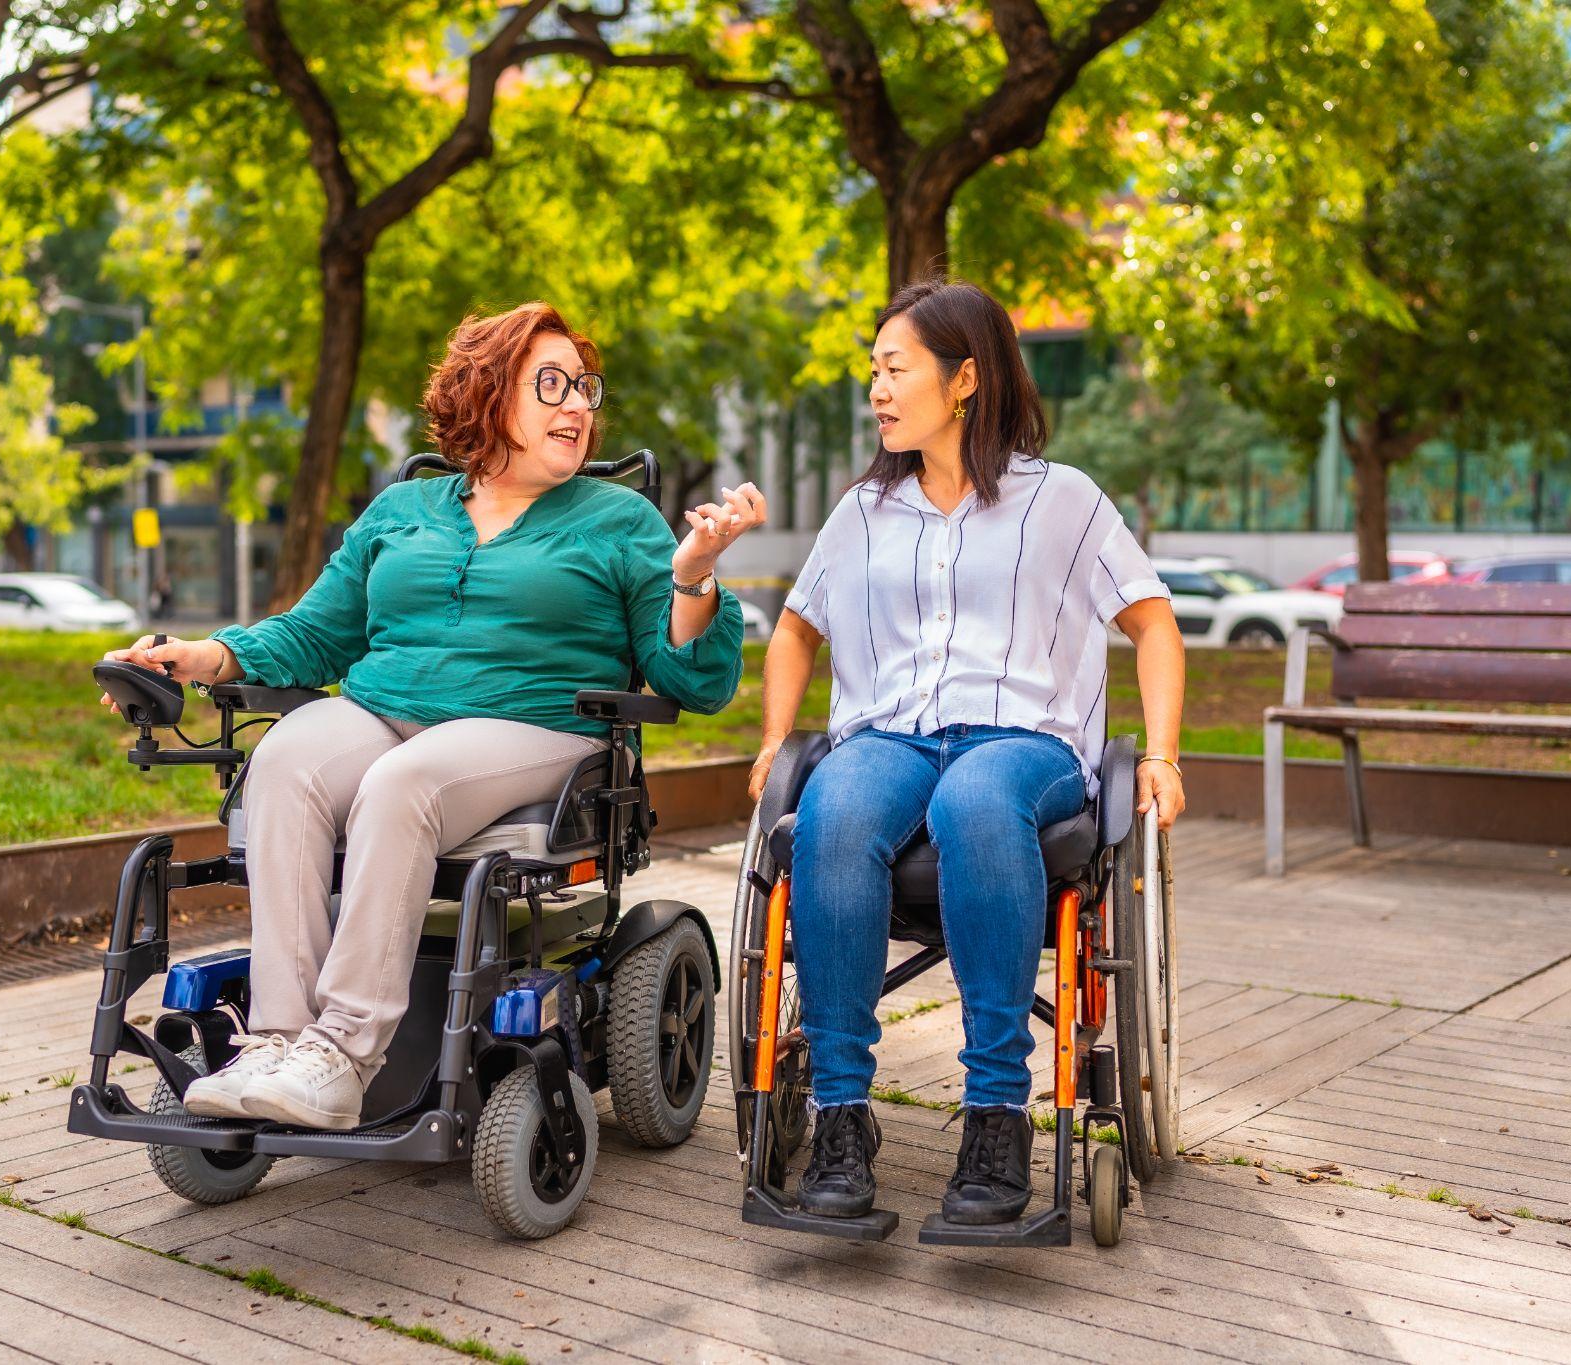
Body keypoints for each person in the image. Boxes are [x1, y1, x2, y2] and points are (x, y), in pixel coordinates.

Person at [99, 302, 766, 1129]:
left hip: (536, 725)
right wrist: (204, 656)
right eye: (550, 383)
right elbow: (317, 633)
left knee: (402, 782)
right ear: (489, 393)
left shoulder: (619, 520)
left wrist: (693, 576)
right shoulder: (401, 511)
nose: (577, 406)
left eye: (585, 388)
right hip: (386, 708)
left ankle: (342, 1054)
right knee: (284, 761)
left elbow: (685, 676)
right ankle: (279, 1042)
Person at [749, 279, 1187, 1226]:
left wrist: (1162, 754)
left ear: (965, 379)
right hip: (891, 733)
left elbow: (1154, 624)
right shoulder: (864, 509)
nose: (877, 388)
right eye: (872, 370)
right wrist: (777, 739)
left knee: (974, 803)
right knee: (829, 810)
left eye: (894, 367)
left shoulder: (1061, 499)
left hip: (1023, 742)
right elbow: (793, 628)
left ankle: (996, 1114)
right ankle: (840, 1116)